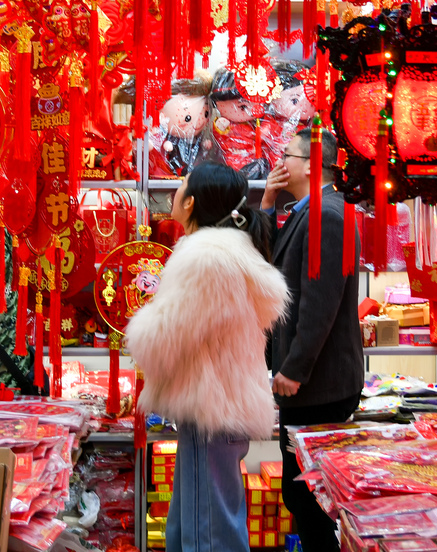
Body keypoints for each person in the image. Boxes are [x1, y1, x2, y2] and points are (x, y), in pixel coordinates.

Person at [126, 162, 289, 552]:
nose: (175, 193)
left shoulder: (205, 258)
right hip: (223, 402)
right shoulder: (228, 252)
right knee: (200, 520)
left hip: (210, 406)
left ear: (193, 201)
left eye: (181, 186)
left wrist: (140, 324)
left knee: (208, 529)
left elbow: (166, 335)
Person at [263, 128, 364, 552]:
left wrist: (294, 367)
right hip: (311, 384)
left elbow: (320, 303)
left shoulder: (328, 215)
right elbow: (269, 261)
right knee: (300, 493)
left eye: (287, 155)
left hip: (318, 384)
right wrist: (267, 201)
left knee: (310, 498)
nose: (280, 162)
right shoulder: (310, 209)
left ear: (310, 164)